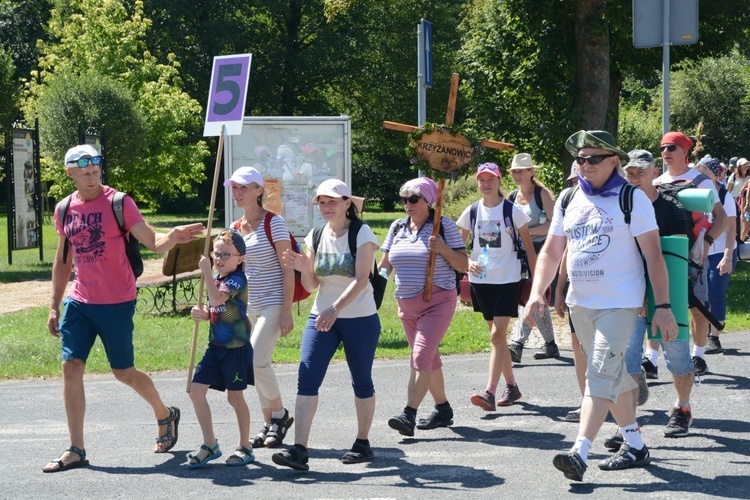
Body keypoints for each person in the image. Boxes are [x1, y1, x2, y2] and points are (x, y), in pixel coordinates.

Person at [525, 130, 677, 482]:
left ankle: (579, 451)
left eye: (593, 158)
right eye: (580, 158)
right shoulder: (568, 198)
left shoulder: (631, 199)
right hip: (582, 303)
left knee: (599, 374)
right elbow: (551, 251)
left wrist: (664, 306)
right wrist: (539, 292)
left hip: (620, 302)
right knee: (615, 376)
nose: (585, 164)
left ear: (613, 161)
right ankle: (636, 445)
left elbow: (654, 256)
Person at [44, 145, 205, 473]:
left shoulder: (120, 203)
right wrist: (53, 307)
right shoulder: (64, 210)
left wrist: (172, 235)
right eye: (84, 172)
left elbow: (152, 242)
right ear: (70, 173)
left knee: (123, 373)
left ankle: (165, 413)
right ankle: (76, 448)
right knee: (71, 367)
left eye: (96, 170)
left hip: (116, 301)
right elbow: (63, 263)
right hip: (79, 301)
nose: (92, 177)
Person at [272, 179, 381, 471]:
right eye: (321, 202)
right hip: (322, 316)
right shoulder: (316, 234)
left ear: (348, 203)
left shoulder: (362, 233)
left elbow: (361, 280)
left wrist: (335, 308)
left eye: (332, 201)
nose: (326, 207)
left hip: (359, 317)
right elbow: (312, 283)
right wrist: (302, 268)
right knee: (306, 378)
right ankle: (299, 450)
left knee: (361, 381)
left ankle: (362, 443)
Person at [601, 149, 696, 447]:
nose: (634, 176)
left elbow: (673, 259)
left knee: (677, 356)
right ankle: (629, 427)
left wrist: (660, 302)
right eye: (629, 171)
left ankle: (682, 407)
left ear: (655, 173)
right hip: (630, 293)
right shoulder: (619, 206)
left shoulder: (672, 208)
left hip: (667, 292)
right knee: (627, 361)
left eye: (640, 171)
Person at [379, 177, 468, 435]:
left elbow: (462, 264)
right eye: (404, 199)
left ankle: (409, 414)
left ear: (428, 200)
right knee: (429, 358)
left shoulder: (443, 226)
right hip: (406, 305)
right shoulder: (397, 227)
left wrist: (441, 249)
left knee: (420, 356)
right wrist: (370, 285)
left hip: (437, 301)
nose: (408, 204)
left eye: (413, 199)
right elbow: (385, 266)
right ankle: (443, 409)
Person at [456, 162, 536, 411]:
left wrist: (537, 286)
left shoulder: (513, 211)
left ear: (500, 181)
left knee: (496, 336)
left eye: (491, 179)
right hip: (481, 283)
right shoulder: (471, 212)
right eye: (482, 179)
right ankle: (512, 386)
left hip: (508, 281)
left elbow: (530, 249)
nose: (486, 183)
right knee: (498, 340)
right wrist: (467, 263)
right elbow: (459, 248)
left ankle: (489, 392)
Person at [225, 166, 294, 448]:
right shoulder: (234, 228)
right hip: (246, 306)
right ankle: (269, 423)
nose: (238, 193)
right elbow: (231, 271)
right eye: (235, 188)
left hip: (273, 303)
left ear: (258, 190)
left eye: (244, 187)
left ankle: (279, 415)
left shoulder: (273, 223)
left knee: (256, 362)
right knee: (255, 365)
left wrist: (287, 310)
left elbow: (288, 269)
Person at [654, 131, 727, 377]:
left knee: (697, 305)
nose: (666, 153)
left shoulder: (700, 181)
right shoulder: (656, 181)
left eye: (671, 148)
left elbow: (722, 217)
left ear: (685, 151)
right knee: (656, 303)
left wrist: (706, 243)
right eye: (663, 148)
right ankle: (650, 359)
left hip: (693, 253)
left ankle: (698, 356)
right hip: (661, 251)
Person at [187, 229, 255, 468]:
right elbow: (213, 309)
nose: (219, 259)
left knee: (235, 397)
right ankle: (210, 444)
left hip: (235, 348)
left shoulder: (237, 279)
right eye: (217, 254)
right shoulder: (217, 279)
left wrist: (205, 271)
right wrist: (202, 314)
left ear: (240, 258)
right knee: (195, 391)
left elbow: (218, 300)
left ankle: (245, 446)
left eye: (226, 254)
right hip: (215, 347)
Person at [506, 153, 559, 362]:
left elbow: (554, 225)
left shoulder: (542, 194)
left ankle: (516, 344)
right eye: (514, 171)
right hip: (519, 253)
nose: (517, 175)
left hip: (541, 252)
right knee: (537, 298)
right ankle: (552, 346)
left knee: (533, 297)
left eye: (521, 171)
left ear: (531, 172)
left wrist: (527, 231)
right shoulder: (511, 197)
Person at [695, 157, 737, 355]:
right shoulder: (694, 194)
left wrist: (727, 256)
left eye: (706, 175)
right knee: (700, 297)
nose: (701, 178)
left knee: (715, 293)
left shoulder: (723, 194)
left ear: (715, 175)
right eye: (699, 174)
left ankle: (715, 338)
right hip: (700, 252)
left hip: (721, 251)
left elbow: (731, 229)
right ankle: (700, 339)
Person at [727, 157, 749, 241]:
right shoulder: (734, 176)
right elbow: (728, 190)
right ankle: (737, 239)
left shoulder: (749, 175)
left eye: (747, 164)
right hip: (734, 201)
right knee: (737, 221)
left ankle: (741, 239)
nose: (746, 166)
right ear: (739, 166)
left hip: (746, 201)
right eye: (744, 164)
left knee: (744, 221)